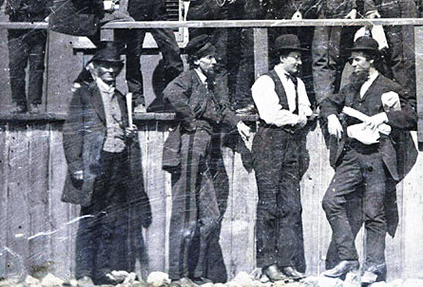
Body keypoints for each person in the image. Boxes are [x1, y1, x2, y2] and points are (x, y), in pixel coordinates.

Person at [320, 36, 417, 284]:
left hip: (377, 157)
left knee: (374, 213)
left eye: (358, 60)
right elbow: (329, 102)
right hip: (351, 157)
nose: (353, 65)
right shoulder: (351, 87)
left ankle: (374, 267)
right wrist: (331, 116)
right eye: (352, 61)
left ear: (371, 60)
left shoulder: (389, 86)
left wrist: (386, 117)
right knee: (331, 201)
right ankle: (348, 258)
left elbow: (411, 117)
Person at [161, 36, 253, 283]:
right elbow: (171, 93)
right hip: (190, 147)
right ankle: (178, 275)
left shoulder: (209, 84)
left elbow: (222, 110)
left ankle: (196, 273)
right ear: (196, 60)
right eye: (209, 58)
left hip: (205, 150)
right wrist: (191, 121)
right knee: (185, 213)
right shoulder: (188, 78)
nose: (214, 61)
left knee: (210, 218)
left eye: (214, 57)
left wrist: (239, 124)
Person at [61, 42, 149, 285]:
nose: (110, 70)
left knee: (110, 220)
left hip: (117, 162)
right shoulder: (84, 95)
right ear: (95, 67)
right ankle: (84, 274)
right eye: (105, 66)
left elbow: (121, 128)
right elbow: (71, 132)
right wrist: (75, 165)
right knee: (90, 219)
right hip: (93, 164)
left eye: (114, 66)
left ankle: (102, 271)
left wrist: (128, 133)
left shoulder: (120, 98)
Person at [250, 33, 313, 282]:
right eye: (295, 57)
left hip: (291, 145)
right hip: (269, 143)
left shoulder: (298, 83)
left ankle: (286, 262)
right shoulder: (264, 82)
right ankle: (268, 264)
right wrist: (298, 118)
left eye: (299, 57)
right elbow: (272, 114)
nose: (299, 62)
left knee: (292, 206)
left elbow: (306, 108)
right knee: (268, 206)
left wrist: (300, 116)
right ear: (282, 57)